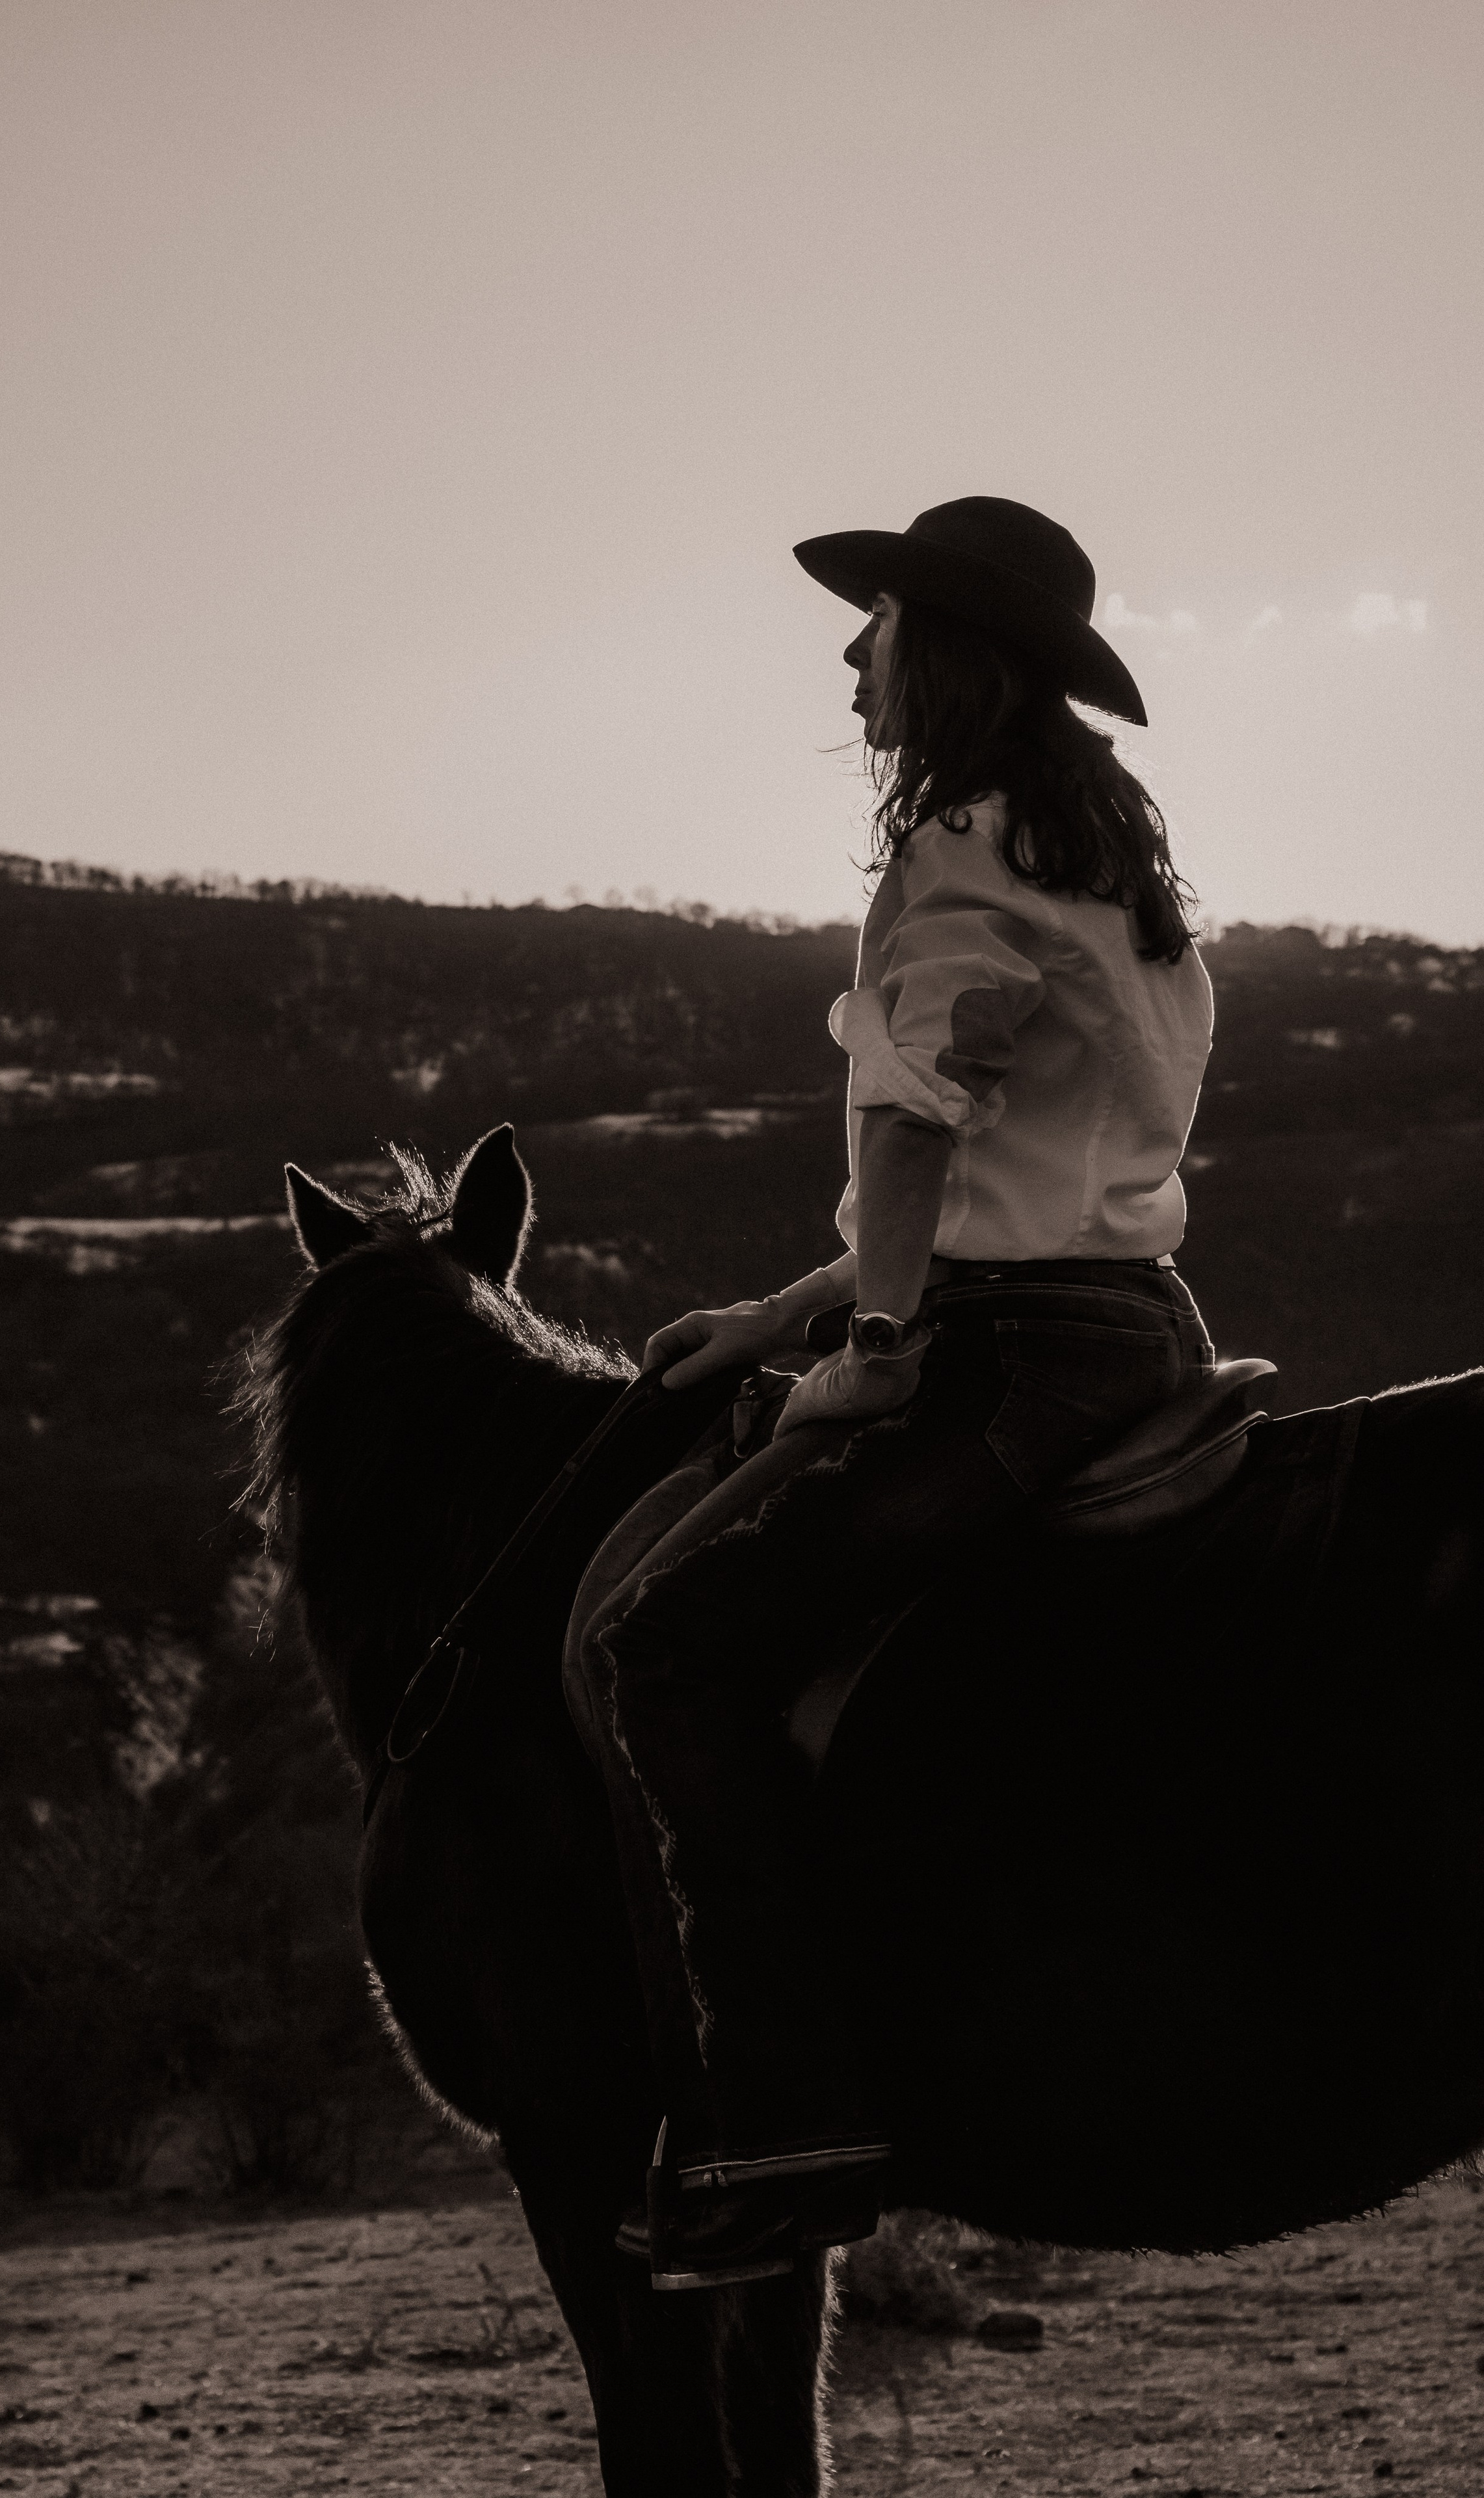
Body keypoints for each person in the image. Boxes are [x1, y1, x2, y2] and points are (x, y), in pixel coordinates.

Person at [564, 496, 1215, 2291]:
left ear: (942, 654)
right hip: (1119, 1318)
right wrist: (783, 1302)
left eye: (877, 630)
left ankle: (778, 2118)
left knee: (651, 1643)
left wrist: (868, 1351)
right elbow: (994, 1148)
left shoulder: (964, 848)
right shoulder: (1088, 845)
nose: (851, 657)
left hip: (1004, 1350)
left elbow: (923, 1117)